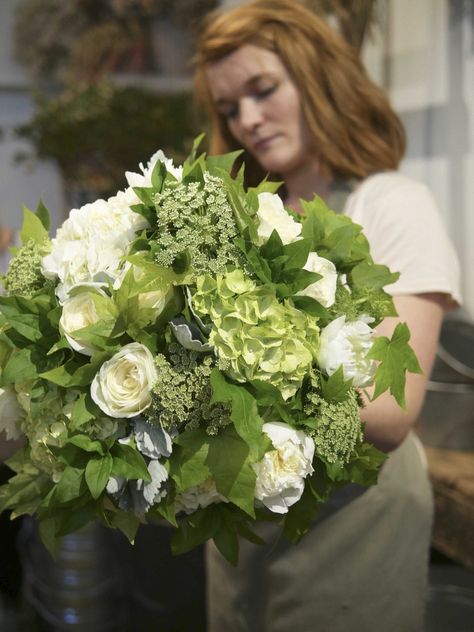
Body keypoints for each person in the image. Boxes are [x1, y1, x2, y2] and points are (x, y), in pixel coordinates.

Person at [193, 1, 462, 630]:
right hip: (243, 522)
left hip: (352, 526)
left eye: (263, 90)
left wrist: (217, 375)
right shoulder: (244, 218)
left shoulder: (391, 205)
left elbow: (389, 412)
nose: (248, 120)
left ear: (317, 77)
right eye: (231, 109)